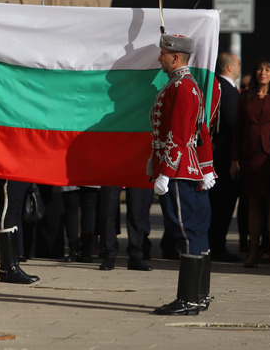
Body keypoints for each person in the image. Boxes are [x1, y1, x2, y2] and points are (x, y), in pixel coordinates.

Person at [149, 34, 216, 316]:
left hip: (178, 170)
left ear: (175, 58)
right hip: (190, 168)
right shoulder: (187, 85)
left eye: (163, 54)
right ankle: (199, 295)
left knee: (186, 232)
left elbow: (179, 133)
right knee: (197, 231)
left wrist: (164, 172)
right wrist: (207, 167)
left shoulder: (181, 86)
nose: (159, 58)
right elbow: (201, 133)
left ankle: (188, 299)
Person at [232, 57, 270, 269]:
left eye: (267, 69)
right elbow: (238, 129)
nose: (263, 73)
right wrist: (234, 159)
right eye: (259, 69)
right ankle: (253, 253)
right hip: (251, 156)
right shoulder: (245, 97)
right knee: (253, 204)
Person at [208, 52, 242, 263]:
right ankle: (217, 245)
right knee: (222, 204)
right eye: (238, 64)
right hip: (224, 156)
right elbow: (233, 123)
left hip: (218, 155)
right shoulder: (227, 91)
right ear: (230, 68)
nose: (240, 68)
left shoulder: (216, 87)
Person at [97, 185, 153, 271]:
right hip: (111, 172)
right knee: (108, 209)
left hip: (135, 172)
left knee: (136, 210)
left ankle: (136, 255)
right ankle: (108, 255)